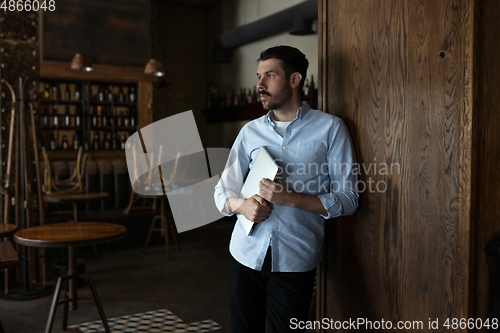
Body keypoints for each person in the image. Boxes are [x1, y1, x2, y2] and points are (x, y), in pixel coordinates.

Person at [214, 45, 359, 333]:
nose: (260, 85)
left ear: (294, 80)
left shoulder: (331, 129)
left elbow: (349, 198)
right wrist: (241, 206)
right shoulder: (249, 132)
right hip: (244, 254)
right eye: (259, 76)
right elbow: (222, 192)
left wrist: (290, 199)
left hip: (295, 260)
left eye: (270, 75)